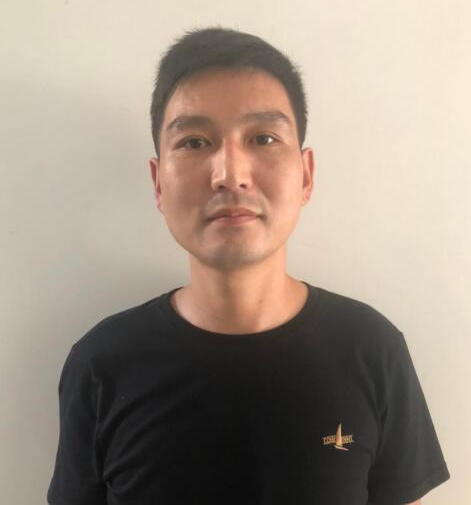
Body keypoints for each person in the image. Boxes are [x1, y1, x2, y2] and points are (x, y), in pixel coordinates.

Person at [47, 26, 450, 505]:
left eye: (262, 137)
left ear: (306, 175)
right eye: (194, 142)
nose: (230, 174)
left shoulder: (372, 350)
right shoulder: (101, 365)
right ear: (158, 183)